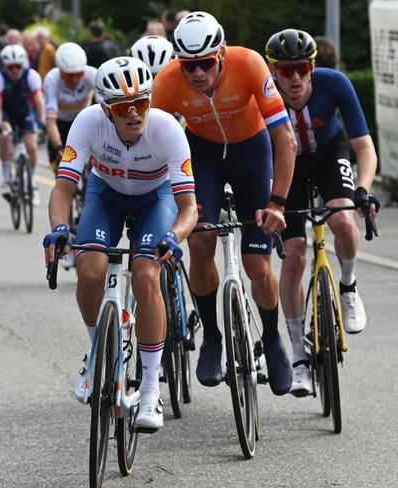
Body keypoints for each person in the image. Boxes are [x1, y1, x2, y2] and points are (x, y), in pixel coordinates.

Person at [43, 57, 197, 430]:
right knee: (90, 270)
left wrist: (173, 237)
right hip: (106, 194)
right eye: (123, 107)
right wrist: (59, 229)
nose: (134, 114)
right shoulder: (87, 123)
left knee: (146, 277)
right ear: (105, 109)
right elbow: (63, 189)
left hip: (154, 199)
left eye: (141, 103)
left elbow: (189, 207)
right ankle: (98, 351)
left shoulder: (167, 130)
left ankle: (148, 391)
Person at [152, 11, 298, 395]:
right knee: (199, 243)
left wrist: (278, 203)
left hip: (252, 153)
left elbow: (285, 138)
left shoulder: (249, 62)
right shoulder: (167, 81)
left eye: (204, 63)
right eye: (189, 65)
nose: (197, 73)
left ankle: (271, 338)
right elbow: (155, 147)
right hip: (204, 158)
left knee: (256, 264)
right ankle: (213, 336)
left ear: (220, 54)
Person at [265, 29, 379, 395]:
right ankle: (298, 357)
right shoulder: (262, 95)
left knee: (344, 219)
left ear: (313, 67)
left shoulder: (335, 84)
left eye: (301, 68)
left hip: (330, 155)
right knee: (294, 256)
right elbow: (252, 152)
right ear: (274, 72)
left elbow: (364, 146)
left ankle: (348, 286)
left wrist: (363, 190)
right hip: (288, 168)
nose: (294, 77)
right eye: (285, 70)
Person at [0, 43, 46, 203]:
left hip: (24, 113)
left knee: (32, 146)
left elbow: (39, 102)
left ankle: (32, 182)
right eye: (11, 67)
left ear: (23, 65)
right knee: (6, 138)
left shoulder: (31, 75)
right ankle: (6, 179)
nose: (15, 70)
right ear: (5, 67)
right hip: (7, 114)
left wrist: (41, 121)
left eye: (18, 66)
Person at [44, 42, 98, 172]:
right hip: (60, 122)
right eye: (68, 75)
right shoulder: (52, 79)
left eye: (78, 74)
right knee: (59, 165)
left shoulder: (93, 74)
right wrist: (58, 147)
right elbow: (50, 121)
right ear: (60, 71)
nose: (74, 79)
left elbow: (106, 108)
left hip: (84, 120)